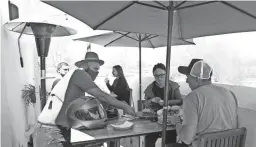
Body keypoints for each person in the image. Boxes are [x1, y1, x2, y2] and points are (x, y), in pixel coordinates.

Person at [33, 51, 136, 147]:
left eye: (98, 70)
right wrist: (124, 106)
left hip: (59, 128)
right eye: (95, 69)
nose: (97, 73)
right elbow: (101, 95)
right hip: (52, 129)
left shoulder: (75, 76)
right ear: (86, 66)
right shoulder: (80, 74)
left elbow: (89, 102)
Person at [169, 59, 238, 147]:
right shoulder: (229, 93)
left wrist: (176, 122)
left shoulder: (193, 97)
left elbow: (187, 139)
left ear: (197, 79)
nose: (186, 81)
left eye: (188, 77)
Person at [144, 63, 183, 147]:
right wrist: (152, 100)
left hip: (171, 118)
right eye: (156, 75)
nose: (159, 78)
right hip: (155, 118)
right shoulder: (151, 87)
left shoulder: (173, 86)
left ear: (166, 74)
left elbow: (180, 101)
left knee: (170, 140)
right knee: (149, 139)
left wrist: (167, 102)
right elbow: (145, 103)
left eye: (162, 75)